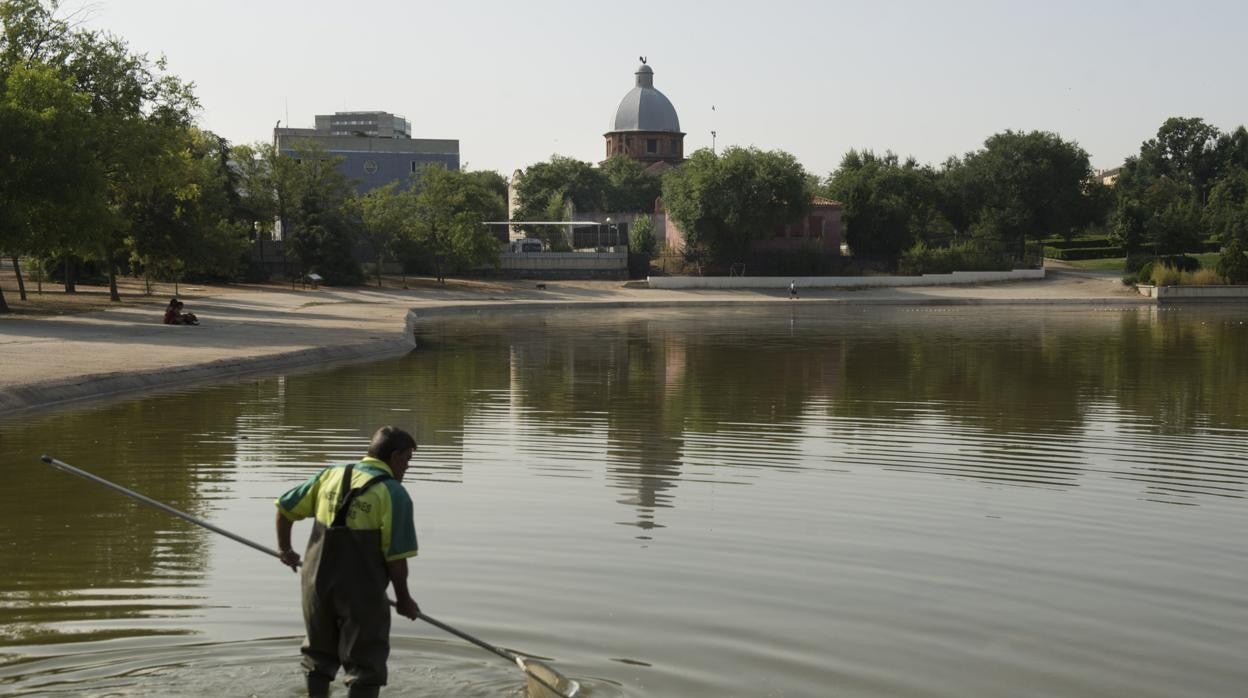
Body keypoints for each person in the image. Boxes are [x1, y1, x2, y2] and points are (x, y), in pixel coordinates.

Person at [275, 426, 422, 698]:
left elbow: (285, 508)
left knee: (317, 657)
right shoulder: (393, 494)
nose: (407, 468)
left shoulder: (330, 475)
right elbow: (396, 561)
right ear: (395, 456)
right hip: (360, 593)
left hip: (315, 585)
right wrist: (403, 599)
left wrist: (286, 549)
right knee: (365, 664)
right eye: (407, 460)